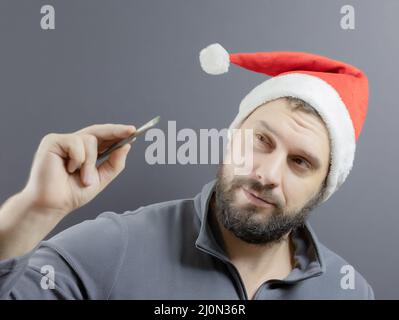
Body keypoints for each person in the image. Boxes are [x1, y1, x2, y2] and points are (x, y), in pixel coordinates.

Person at [0, 43, 374, 299]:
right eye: (261, 140)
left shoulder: (350, 291)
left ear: (324, 186)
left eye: (300, 162)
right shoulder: (115, 247)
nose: (267, 173)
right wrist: (34, 210)